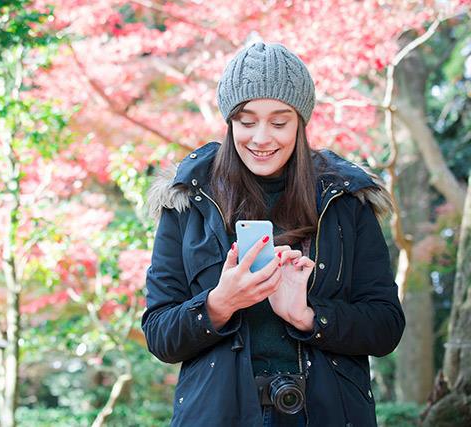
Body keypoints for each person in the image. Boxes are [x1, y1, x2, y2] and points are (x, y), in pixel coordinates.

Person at [142, 41, 405, 427]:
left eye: (279, 122)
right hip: (219, 416)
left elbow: (385, 327)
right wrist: (219, 304)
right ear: (229, 121)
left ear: (300, 122)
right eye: (247, 122)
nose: (261, 138)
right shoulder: (189, 201)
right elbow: (159, 333)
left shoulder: (346, 200)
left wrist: (308, 316)